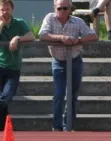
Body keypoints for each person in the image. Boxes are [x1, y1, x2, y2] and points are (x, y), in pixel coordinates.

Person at [39, 0, 98, 132]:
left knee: (72, 95)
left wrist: (79, 40)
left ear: (70, 8)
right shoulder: (49, 18)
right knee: (59, 94)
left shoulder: (78, 21)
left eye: (65, 8)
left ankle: (69, 125)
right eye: (59, 8)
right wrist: (62, 38)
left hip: (75, 60)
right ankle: (57, 126)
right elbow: (42, 35)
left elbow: (93, 36)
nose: (62, 11)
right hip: (58, 61)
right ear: (54, 8)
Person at [0, 0, 35, 131]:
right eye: (2, 9)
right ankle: (3, 131)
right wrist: (2, 24)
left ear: (12, 9)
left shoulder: (20, 23)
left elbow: (31, 35)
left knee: (5, 98)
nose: (5, 12)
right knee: (2, 101)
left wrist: (17, 38)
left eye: (7, 9)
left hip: (13, 68)